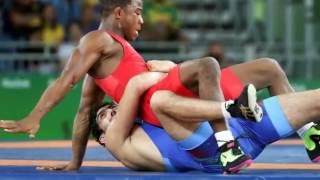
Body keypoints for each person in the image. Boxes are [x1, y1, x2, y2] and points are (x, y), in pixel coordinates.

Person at [0, 0, 318, 172]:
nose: (142, 20)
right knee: (207, 64)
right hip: (161, 99)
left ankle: (311, 138)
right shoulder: (97, 39)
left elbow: (84, 113)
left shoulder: (102, 69)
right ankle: (227, 148)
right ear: (119, 13)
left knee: (268, 68)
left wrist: (75, 163)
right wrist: (35, 115)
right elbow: (65, 80)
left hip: (172, 92)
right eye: (138, 12)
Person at [88, 72, 320, 173]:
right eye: (104, 116)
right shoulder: (118, 144)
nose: (112, 112)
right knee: (159, 99)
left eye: (112, 108)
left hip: (240, 131)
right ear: (102, 138)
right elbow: (137, 82)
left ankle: (312, 136)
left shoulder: (143, 120)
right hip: (213, 156)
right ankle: (232, 108)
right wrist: (162, 70)